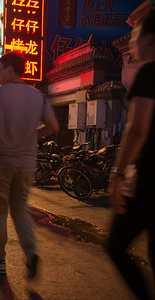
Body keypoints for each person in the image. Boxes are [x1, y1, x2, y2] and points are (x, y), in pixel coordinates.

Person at [0, 52, 59, 278]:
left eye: (0, 69)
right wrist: (32, 135)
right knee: (20, 209)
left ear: (10, 69)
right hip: (26, 164)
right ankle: (30, 252)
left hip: (1, 162)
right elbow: (53, 126)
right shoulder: (38, 97)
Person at [107, 10, 155, 300]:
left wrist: (118, 174)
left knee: (116, 245)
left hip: (150, 179)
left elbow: (137, 129)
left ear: (149, 40)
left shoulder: (149, 72)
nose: (132, 44)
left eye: (135, 37)